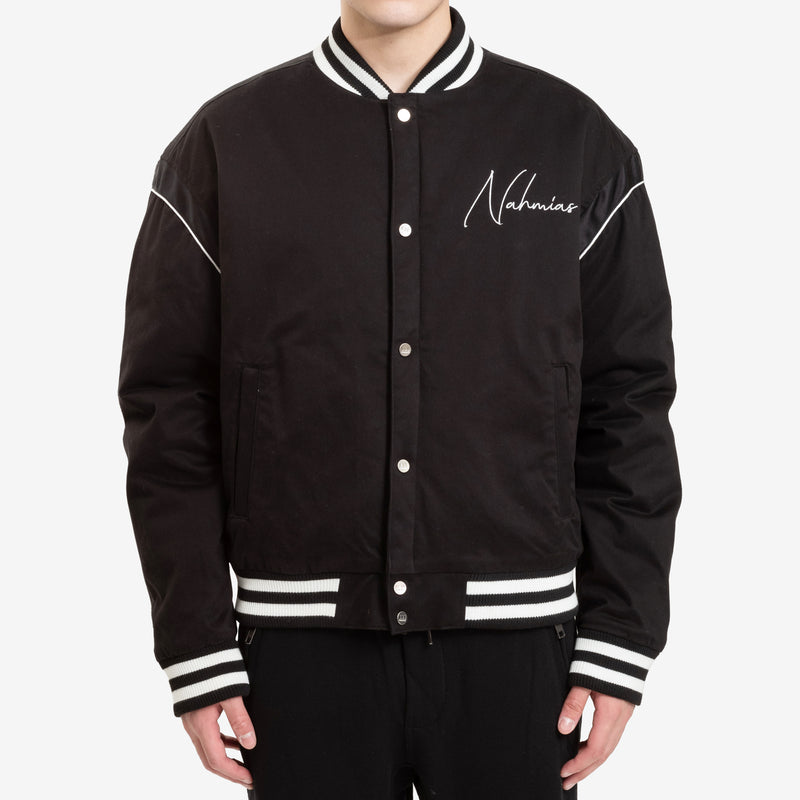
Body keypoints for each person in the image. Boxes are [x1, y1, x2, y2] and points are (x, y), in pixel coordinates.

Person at [117, 2, 681, 797]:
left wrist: (622, 632)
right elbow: (168, 410)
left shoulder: (573, 140)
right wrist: (196, 643)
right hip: (296, 655)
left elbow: (629, 399)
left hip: (521, 654)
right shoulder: (224, 145)